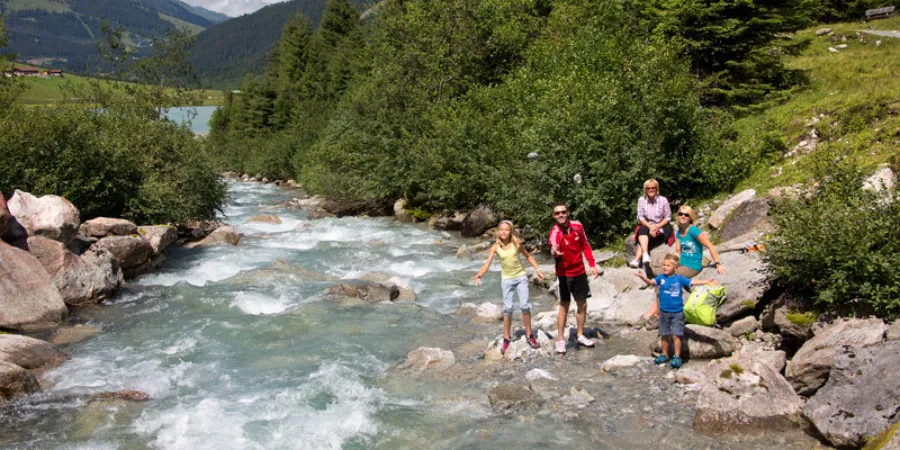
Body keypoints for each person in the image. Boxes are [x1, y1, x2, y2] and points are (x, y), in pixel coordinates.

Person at [473, 220, 545, 354]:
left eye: (507, 230)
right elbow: (487, 264)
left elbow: (528, 256)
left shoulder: (516, 243)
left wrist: (538, 269)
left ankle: (529, 335)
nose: (504, 232)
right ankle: (506, 338)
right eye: (501, 229)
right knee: (508, 309)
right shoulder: (495, 247)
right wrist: (479, 274)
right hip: (506, 280)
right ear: (498, 232)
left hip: (520, 278)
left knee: (525, 306)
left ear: (511, 231)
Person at [635, 254, 717, 369]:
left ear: (675, 268)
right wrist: (642, 277)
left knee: (676, 335)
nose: (665, 267)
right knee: (664, 334)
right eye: (664, 265)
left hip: (677, 312)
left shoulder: (679, 279)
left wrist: (707, 281)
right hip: (664, 312)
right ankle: (664, 354)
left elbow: (692, 282)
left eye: (668, 265)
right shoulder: (661, 278)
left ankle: (677, 357)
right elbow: (651, 282)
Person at [548, 203, 600, 355]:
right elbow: (553, 246)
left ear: (567, 213)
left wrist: (592, 264)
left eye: (563, 212)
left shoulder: (578, 226)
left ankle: (580, 335)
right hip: (563, 274)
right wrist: (556, 251)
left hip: (579, 271)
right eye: (557, 213)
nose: (561, 215)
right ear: (554, 216)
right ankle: (560, 339)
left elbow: (585, 245)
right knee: (564, 305)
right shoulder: (555, 231)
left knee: (582, 304)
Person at [629, 179, 673, 269]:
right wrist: (650, 227)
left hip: (661, 225)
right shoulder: (641, 200)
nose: (650, 190)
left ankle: (637, 259)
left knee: (645, 238)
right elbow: (640, 217)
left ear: (656, 189)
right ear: (645, 189)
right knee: (642, 230)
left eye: (653, 187)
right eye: (648, 188)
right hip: (648, 225)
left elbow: (668, 217)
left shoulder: (663, 200)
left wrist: (656, 226)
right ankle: (645, 254)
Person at [673, 205, 727, 277]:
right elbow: (677, 252)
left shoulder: (693, 230)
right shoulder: (679, 232)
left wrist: (717, 264)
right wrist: (672, 263)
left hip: (693, 266)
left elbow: (709, 245)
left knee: (671, 278)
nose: (683, 216)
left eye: (686, 215)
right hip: (682, 263)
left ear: (690, 218)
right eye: (680, 214)